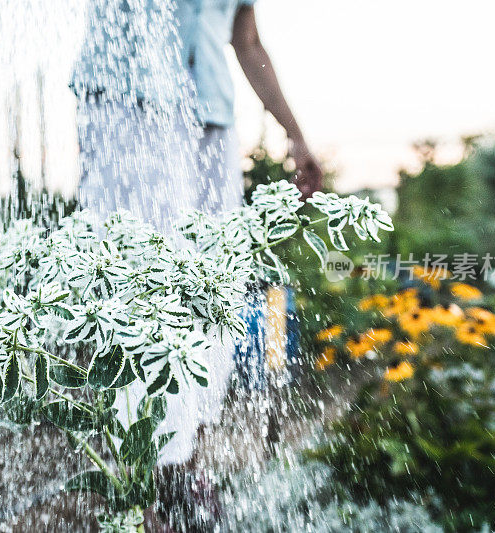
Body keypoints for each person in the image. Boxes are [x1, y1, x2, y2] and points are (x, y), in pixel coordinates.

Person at [71, 0, 322, 510]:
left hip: (210, 113)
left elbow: (245, 41)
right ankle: (154, 481)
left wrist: (295, 133)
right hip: (128, 104)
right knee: (146, 284)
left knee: (214, 283)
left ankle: (188, 462)